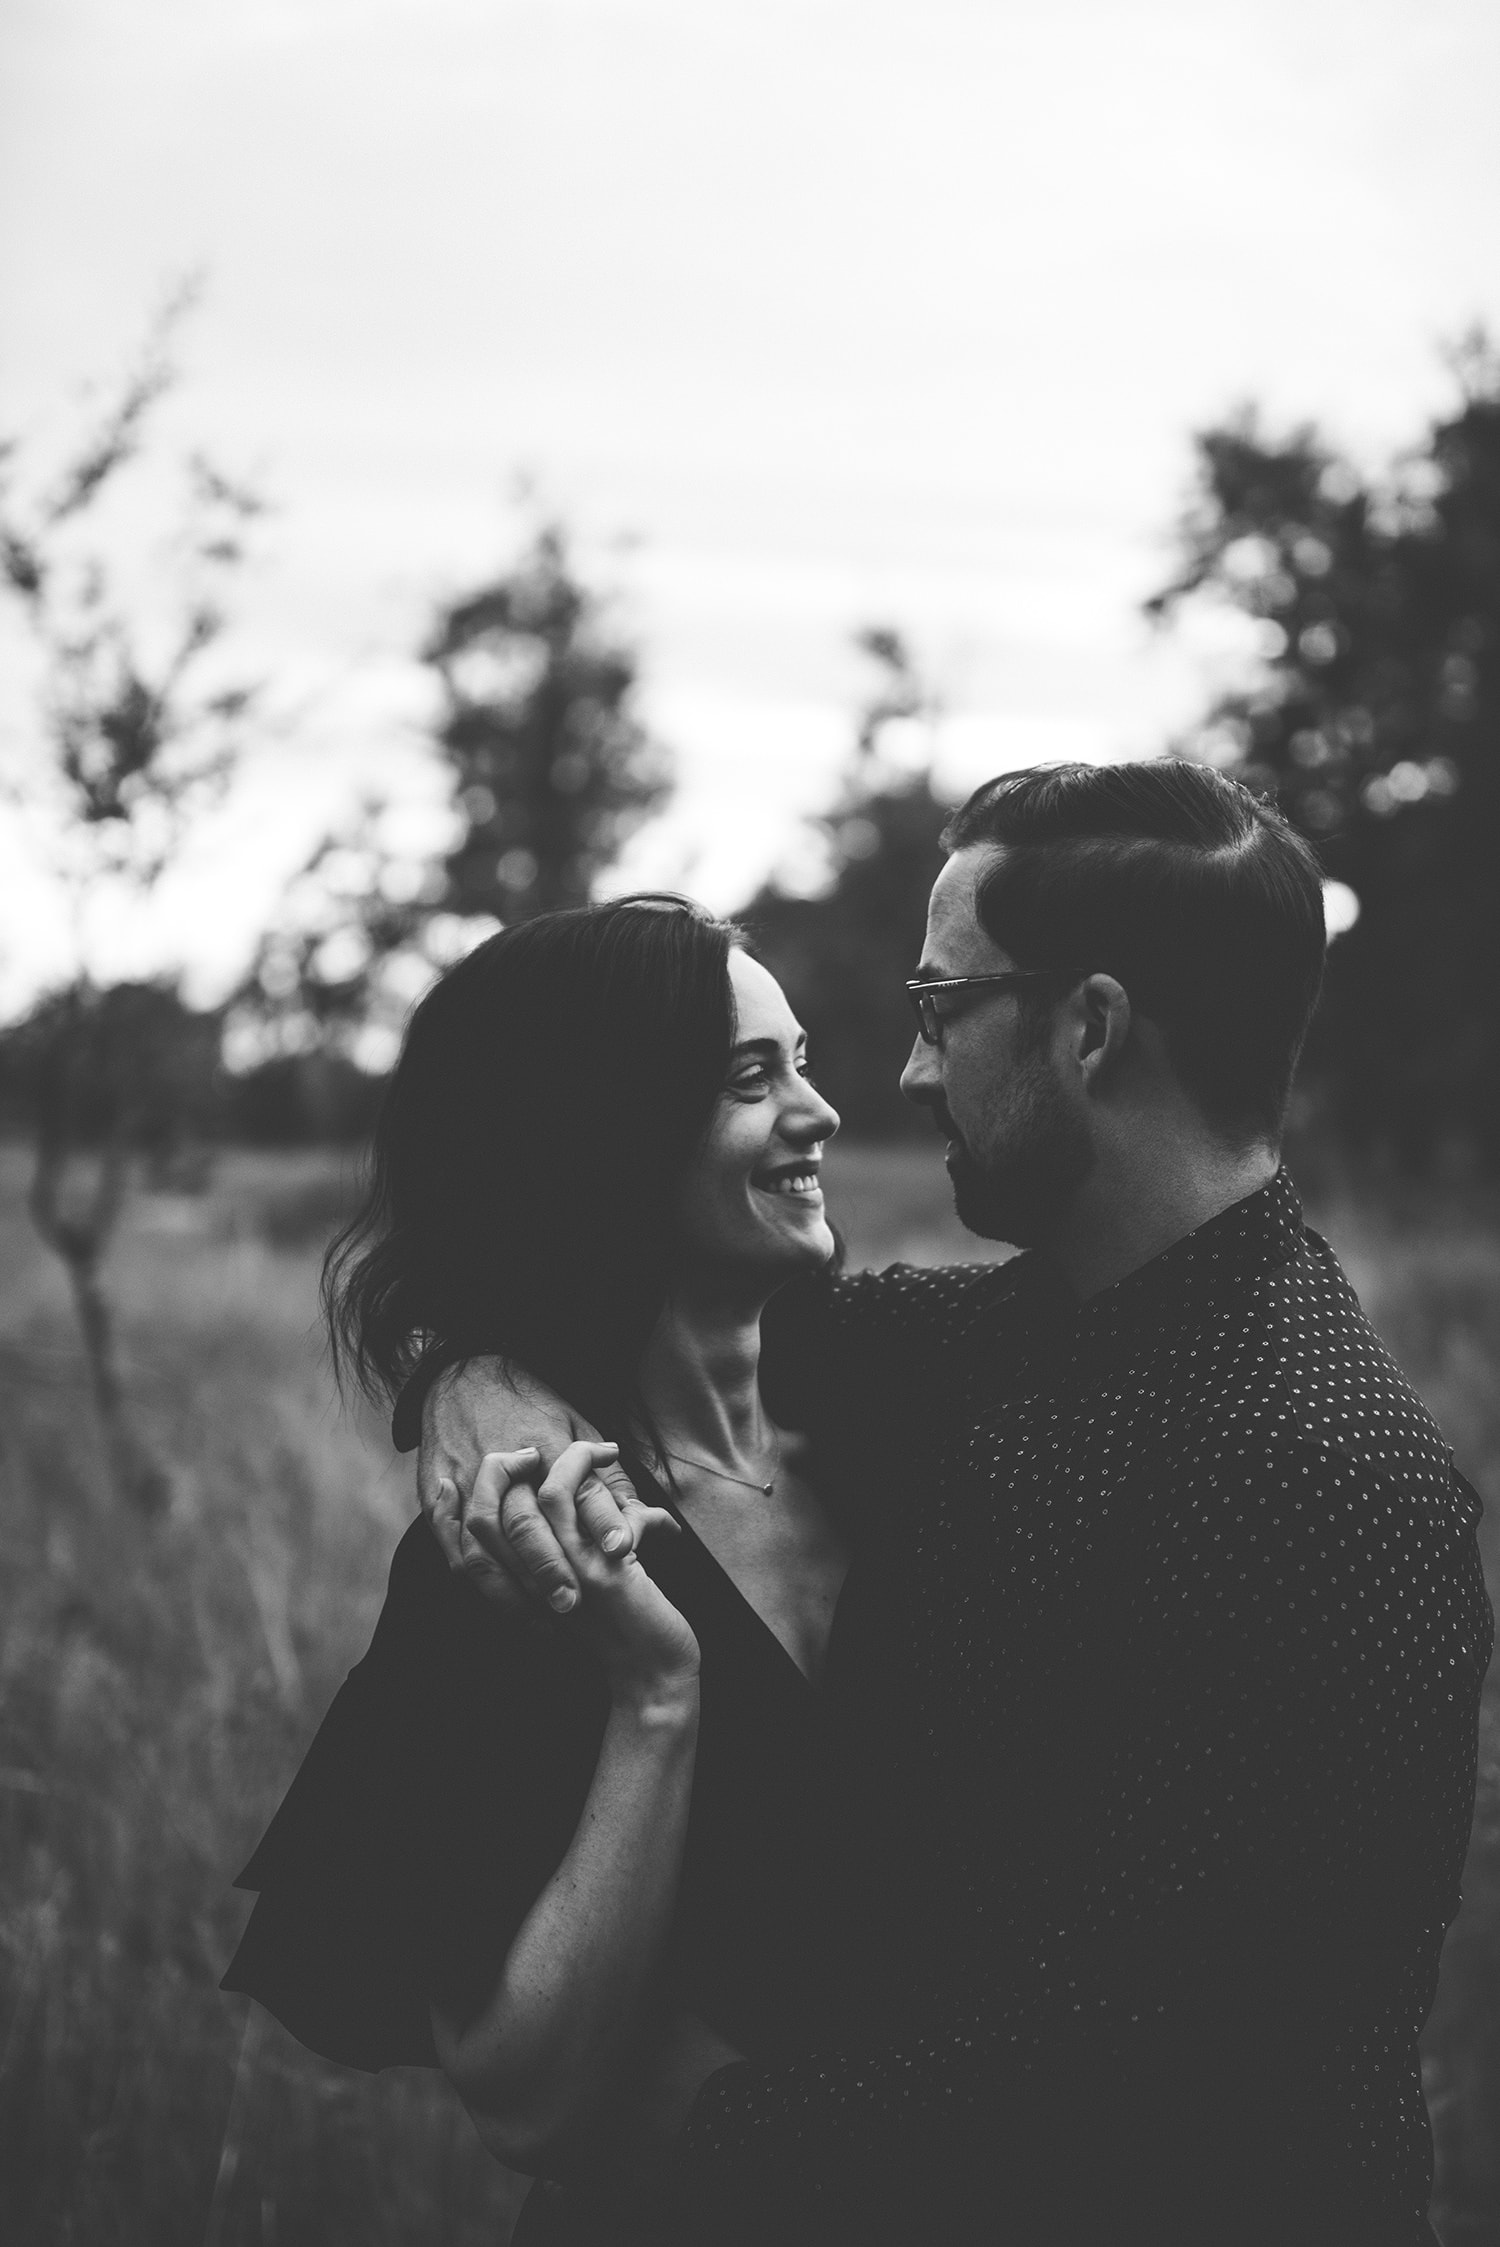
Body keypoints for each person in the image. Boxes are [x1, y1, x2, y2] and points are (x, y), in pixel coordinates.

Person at [415, 761, 1494, 2246]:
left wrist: (680, 2122)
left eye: (941, 1009)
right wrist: (477, 1381)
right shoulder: (1038, 1328)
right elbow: (695, 1331)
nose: (912, 1074)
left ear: (1091, 1029)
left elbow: (1147, 2077)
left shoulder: (1327, 1484)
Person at [222, 896, 864, 2243]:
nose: (819, 1115)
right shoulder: (524, 1556)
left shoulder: (900, 1446)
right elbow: (529, 2105)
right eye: (754, 1077)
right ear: (604, 1140)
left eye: (803, 1063)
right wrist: (656, 1699)